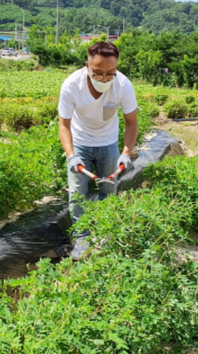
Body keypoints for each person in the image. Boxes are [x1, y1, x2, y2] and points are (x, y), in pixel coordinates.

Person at [58, 41, 139, 260]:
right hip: (80, 142)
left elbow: (132, 123)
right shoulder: (71, 85)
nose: (104, 79)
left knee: (107, 191)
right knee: (77, 194)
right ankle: (82, 239)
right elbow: (64, 125)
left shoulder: (123, 85)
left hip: (108, 143)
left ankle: (105, 234)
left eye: (110, 73)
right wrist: (71, 155)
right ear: (87, 66)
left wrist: (126, 152)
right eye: (98, 73)